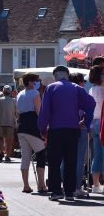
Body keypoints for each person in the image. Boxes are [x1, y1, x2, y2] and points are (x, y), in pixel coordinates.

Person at [38, 66, 95, 201]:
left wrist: (42, 129)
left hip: (56, 130)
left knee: (54, 162)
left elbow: (45, 111)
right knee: (71, 161)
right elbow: (91, 103)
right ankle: (69, 192)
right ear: (67, 75)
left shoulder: (51, 88)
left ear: (55, 76)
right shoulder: (76, 88)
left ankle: (57, 191)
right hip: (72, 129)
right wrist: (85, 121)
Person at [16, 73, 47, 194]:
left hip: (21, 126)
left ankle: (26, 185)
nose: (36, 83)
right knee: (40, 153)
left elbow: (17, 113)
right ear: (29, 82)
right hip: (32, 126)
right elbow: (39, 112)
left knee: (25, 157)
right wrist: (44, 128)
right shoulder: (35, 93)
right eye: (34, 81)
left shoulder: (19, 94)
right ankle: (41, 185)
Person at [65, 73, 90, 196]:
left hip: (67, 128)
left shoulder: (65, 94)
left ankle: (65, 185)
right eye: (83, 81)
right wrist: (84, 121)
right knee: (79, 159)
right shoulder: (82, 93)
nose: (84, 84)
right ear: (80, 82)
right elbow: (89, 108)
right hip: (81, 127)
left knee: (65, 158)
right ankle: (76, 187)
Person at [88, 65, 104, 193]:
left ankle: (96, 184)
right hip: (101, 121)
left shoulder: (92, 89)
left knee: (97, 154)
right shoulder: (102, 90)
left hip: (94, 122)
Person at [0, 85, 17, 163]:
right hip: (10, 123)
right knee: (9, 141)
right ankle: (7, 156)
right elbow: (17, 113)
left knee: (1, 139)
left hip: (0, 122)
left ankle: (1, 153)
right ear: (10, 92)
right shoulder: (14, 101)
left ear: (3, 92)